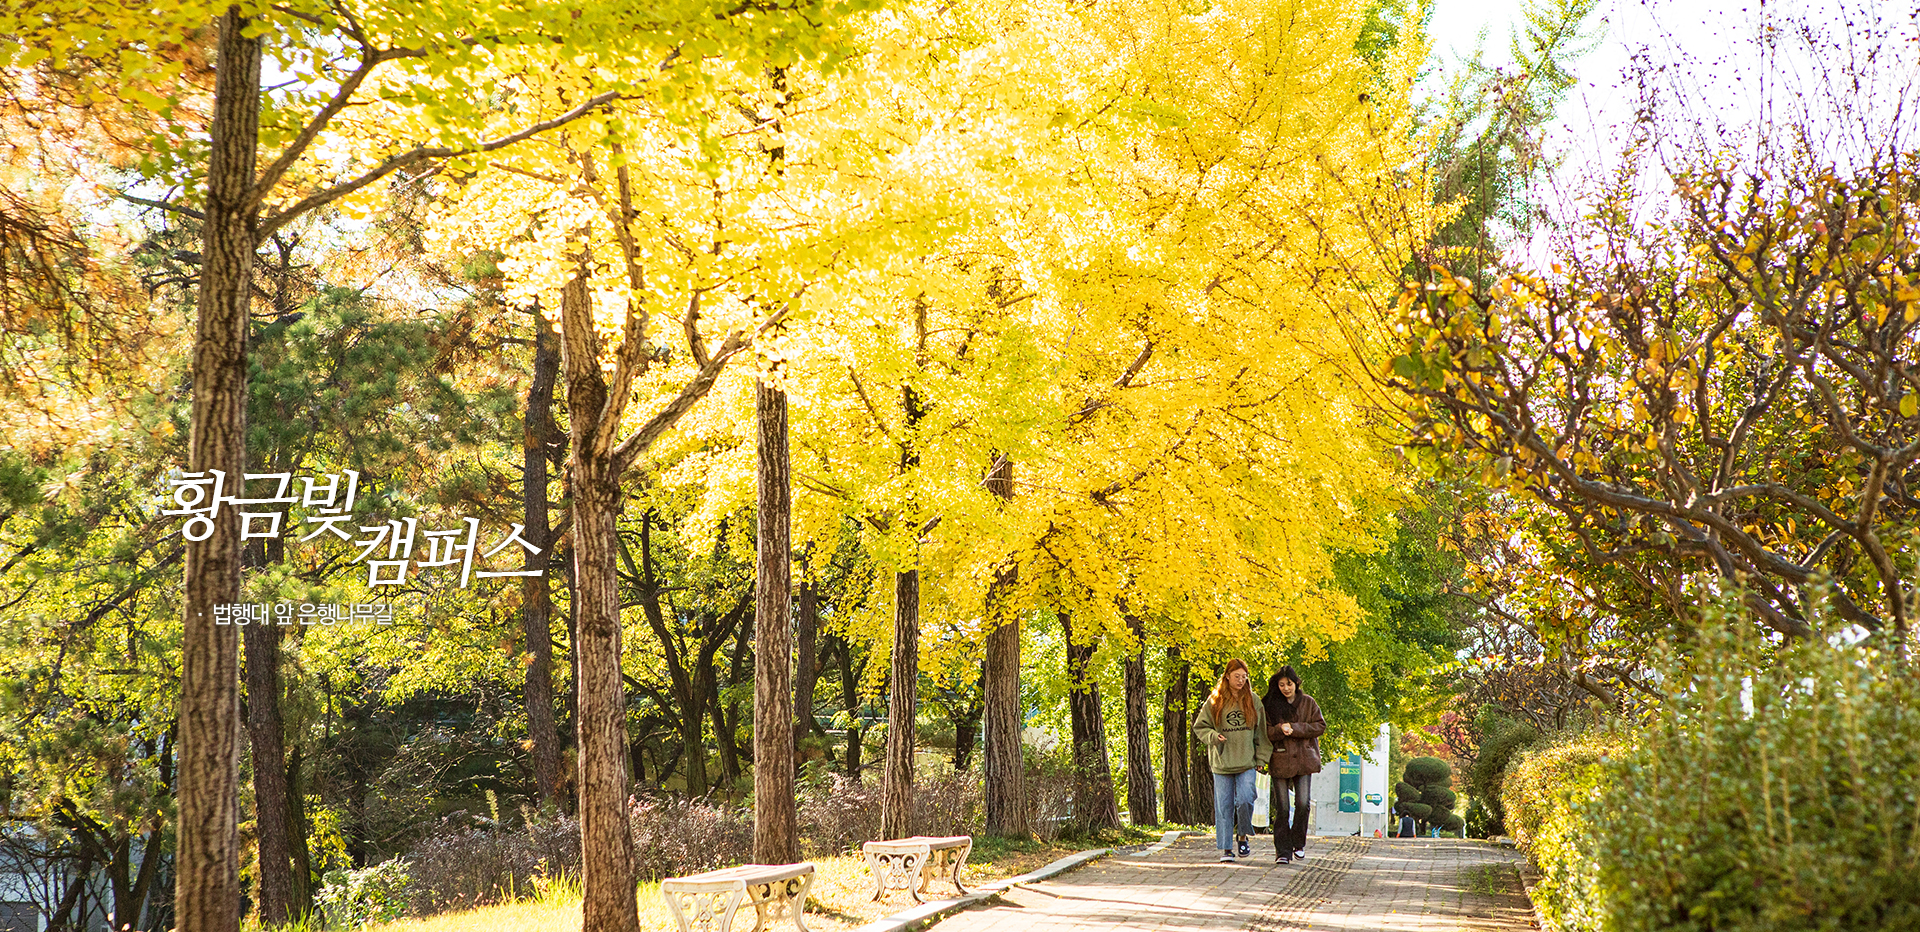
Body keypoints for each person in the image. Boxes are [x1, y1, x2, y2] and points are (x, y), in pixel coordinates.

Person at [1192, 658, 1271, 863]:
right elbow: (1200, 727)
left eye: (1244, 677)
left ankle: (1243, 836)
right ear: (1227, 676)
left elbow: (1261, 734)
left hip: (1247, 762)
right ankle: (1227, 849)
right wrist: (1213, 737)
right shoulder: (1215, 701)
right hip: (1222, 762)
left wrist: (1261, 758)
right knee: (1224, 806)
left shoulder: (1253, 701)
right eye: (1237, 676)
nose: (1241, 680)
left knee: (1246, 799)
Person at [1263, 665, 1325, 864]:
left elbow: (1319, 726)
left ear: (1296, 683)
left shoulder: (1308, 703)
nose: (1285, 688)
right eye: (1281, 685)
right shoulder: (1271, 705)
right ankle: (1282, 850)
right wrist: (1281, 729)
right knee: (1282, 807)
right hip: (1280, 759)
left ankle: (1298, 843)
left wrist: (1296, 728)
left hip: (1304, 760)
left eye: (1288, 684)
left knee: (1303, 803)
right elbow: (1266, 732)